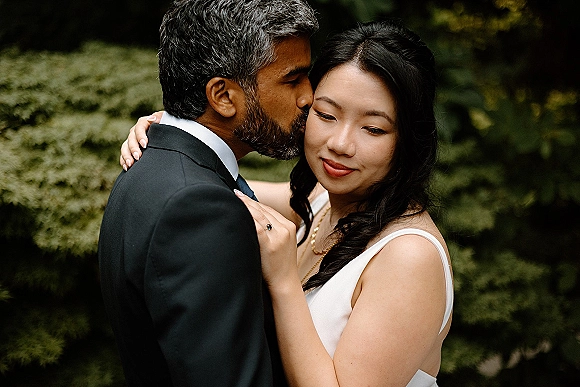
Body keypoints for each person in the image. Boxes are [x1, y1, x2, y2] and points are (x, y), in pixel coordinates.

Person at [123, 20, 452, 387]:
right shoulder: (321, 201)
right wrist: (177, 132)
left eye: (373, 129)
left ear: (409, 140)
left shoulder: (409, 257)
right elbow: (212, 190)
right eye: (326, 115)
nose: (341, 143)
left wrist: (282, 280)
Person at [98, 0, 318, 386]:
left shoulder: (156, 166)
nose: (308, 97)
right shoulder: (198, 208)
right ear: (222, 96)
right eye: (292, 79)